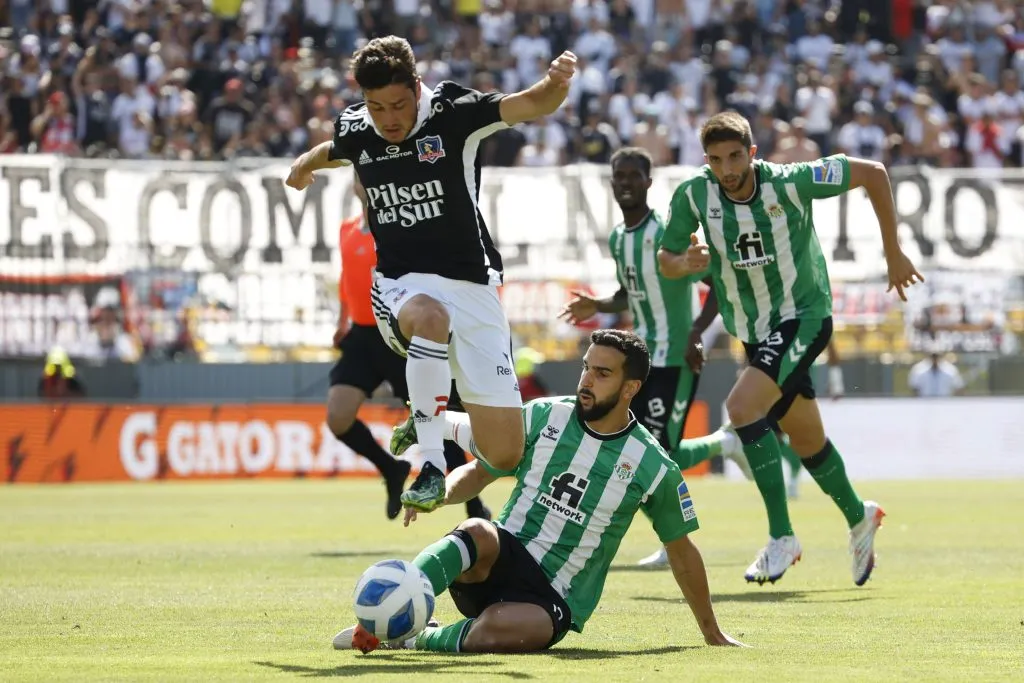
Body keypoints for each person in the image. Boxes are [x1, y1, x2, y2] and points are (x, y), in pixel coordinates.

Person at [286, 36, 578, 513]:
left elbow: (532, 103)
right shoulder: (359, 128)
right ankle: (431, 464)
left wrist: (556, 82)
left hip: (475, 289)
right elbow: (338, 149)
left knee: (504, 453)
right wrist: (303, 164)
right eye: (376, 107)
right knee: (431, 317)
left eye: (398, 105)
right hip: (402, 288)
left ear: (417, 88)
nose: (388, 119)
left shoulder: (452, 112)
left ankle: (434, 421)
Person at [334, 329, 745, 653]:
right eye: (587, 367)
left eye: (603, 374)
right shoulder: (545, 415)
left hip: (552, 598)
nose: (587, 380)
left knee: (498, 632)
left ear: (630, 388)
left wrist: (712, 632)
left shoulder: (653, 466)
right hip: (502, 556)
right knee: (477, 528)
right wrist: (439, 496)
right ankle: (383, 619)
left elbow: (681, 549)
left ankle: (417, 637)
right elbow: (480, 472)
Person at [658, 111, 924, 586]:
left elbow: (874, 173)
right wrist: (684, 262)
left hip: (804, 315)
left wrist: (893, 252)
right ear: (707, 161)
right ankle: (858, 514)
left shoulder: (792, 182)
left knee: (740, 407)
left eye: (736, 156)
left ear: (753, 153)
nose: (728, 169)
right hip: (756, 330)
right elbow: (667, 259)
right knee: (806, 441)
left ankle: (782, 536)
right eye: (717, 160)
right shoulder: (694, 194)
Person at [559, 147, 752, 569]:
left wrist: (698, 334)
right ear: (612, 184)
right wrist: (598, 305)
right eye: (619, 176)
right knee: (643, 447)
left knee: (659, 451)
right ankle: (724, 442)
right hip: (640, 360)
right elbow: (631, 292)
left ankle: (676, 536)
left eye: (634, 175)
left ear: (648, 182)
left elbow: (716, 283)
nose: (625, 182)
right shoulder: (618, 238)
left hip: (677, 357)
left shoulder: (667, 233)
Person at [328, 177, 490, 521]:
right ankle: (391, 469)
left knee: (432, 416)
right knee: (338, 417)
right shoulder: (346, 229)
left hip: (397, 332)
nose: (363, 182)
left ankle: (473, 504)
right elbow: (347, 279)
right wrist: (342, 321)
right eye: (358, 175)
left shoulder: (401, 228)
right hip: (361, 334)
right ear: (355, 184)